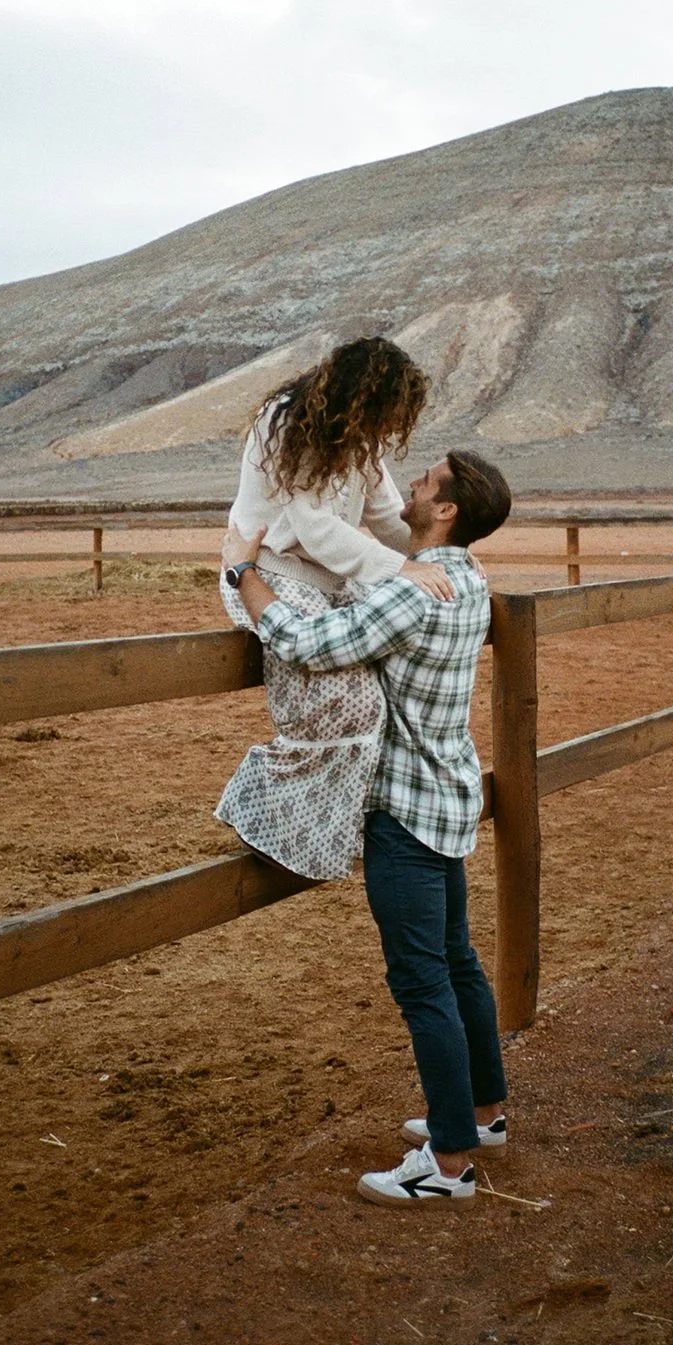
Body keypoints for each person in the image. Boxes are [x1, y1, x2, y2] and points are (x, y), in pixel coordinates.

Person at [222, 448, 513, 1207]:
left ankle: (447, 1166)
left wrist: (243, 574)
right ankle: (482, 1116)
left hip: (403, 812)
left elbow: (305, 646)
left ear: (446, 509)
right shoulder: (471, 581)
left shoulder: (411, 597)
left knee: (422, 982)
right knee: (457, 963)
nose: (410, 486)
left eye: (425, 482)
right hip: (445, 796)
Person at [215, 337, 453, 881]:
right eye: (389, 413)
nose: (392, 428)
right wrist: (401, 570)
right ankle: (259, 811)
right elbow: (315, 528)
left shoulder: (356, 440)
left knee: (395, 683)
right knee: (350, 702)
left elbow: (391, 517)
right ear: (364, 398)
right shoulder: (287, 425)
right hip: (267, 572)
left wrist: (443, 559)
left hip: (332, 579)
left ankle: (340, 827)